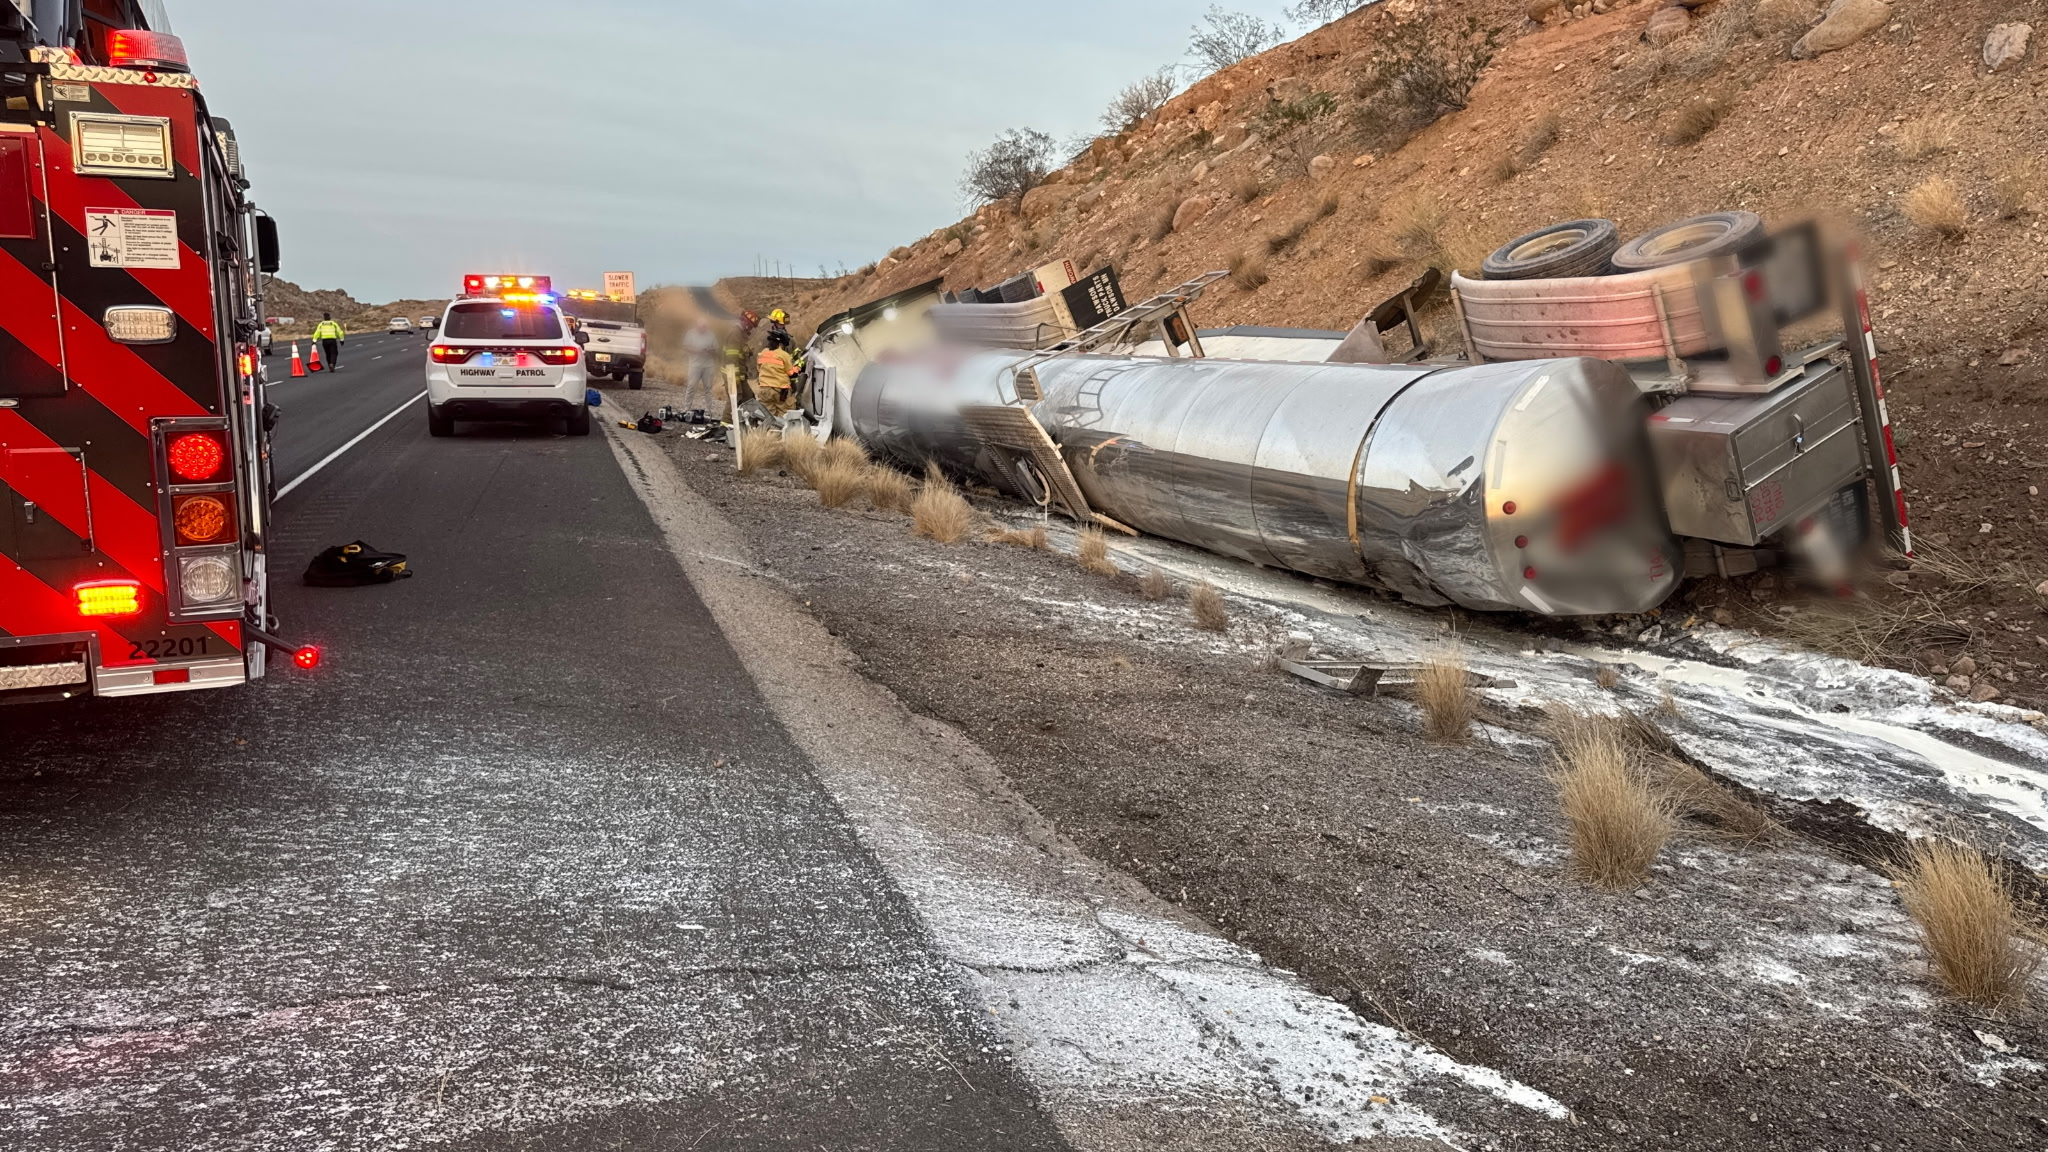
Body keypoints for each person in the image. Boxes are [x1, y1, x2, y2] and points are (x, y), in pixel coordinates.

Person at [682, 319, 720, 416]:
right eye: (701, 327)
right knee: (691, 386)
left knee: (708, 388)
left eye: (705, 327)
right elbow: (685, 347)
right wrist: (697, 350)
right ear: (697, 326)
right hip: (694, 365)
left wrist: (709, 350)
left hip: (708, 365)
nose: (703, 329)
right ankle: (686, 408)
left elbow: (716, 348)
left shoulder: (711, 335)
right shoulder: (690, 334)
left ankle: (709, 410)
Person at [754, 343, 799, 417]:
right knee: (785, 414)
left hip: (764, 390)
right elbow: (791, 372)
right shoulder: (784, 355)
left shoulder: (763, 353)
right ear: (781, 344)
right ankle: (782, 428)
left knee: (767, 415)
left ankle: (769, 428)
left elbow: (759, 369)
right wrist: (797, 368)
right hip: (780, 390)